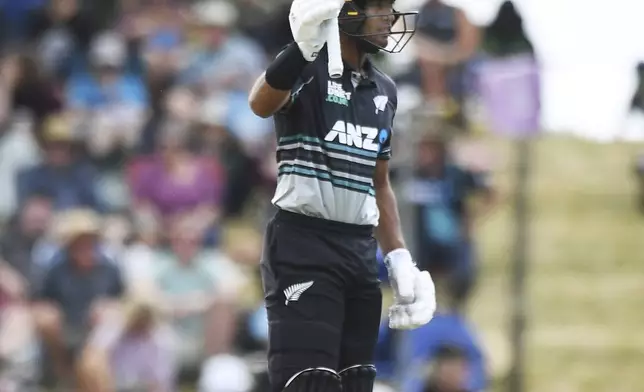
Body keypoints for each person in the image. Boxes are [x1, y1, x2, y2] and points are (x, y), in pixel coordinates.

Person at [248, 1, 437, 391]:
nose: (390, 19)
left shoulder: (384, 89)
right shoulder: (305, 69)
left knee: (357, 383)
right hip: (304, 245)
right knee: (309, 382)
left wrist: (400, 257)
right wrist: (300, 51)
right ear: (347, 12)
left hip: (359, 251)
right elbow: (259, 103)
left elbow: (379, 182)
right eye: (380, 9)